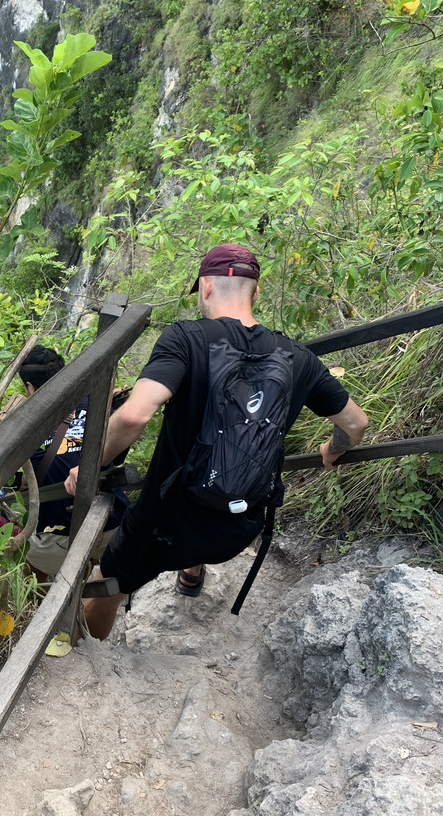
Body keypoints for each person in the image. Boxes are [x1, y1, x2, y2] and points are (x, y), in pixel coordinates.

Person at [65, 243, 369, 639]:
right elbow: (356, 423)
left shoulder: (186, 339)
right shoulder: (298, 357)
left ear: (205, 289)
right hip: (240, 528)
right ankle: (193, 573)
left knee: (108, 583)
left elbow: (135, 414)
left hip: (165, 525)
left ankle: (94, 662)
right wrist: (334, 448)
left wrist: (90, 467)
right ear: (255, 292)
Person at [20, 345, 128, 586]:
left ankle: (47, 610)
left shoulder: (26, 429)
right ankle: (86, 578)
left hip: (62, 534)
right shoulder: (100, 403)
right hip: (114, 520)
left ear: (30, 387)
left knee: (26, 574)